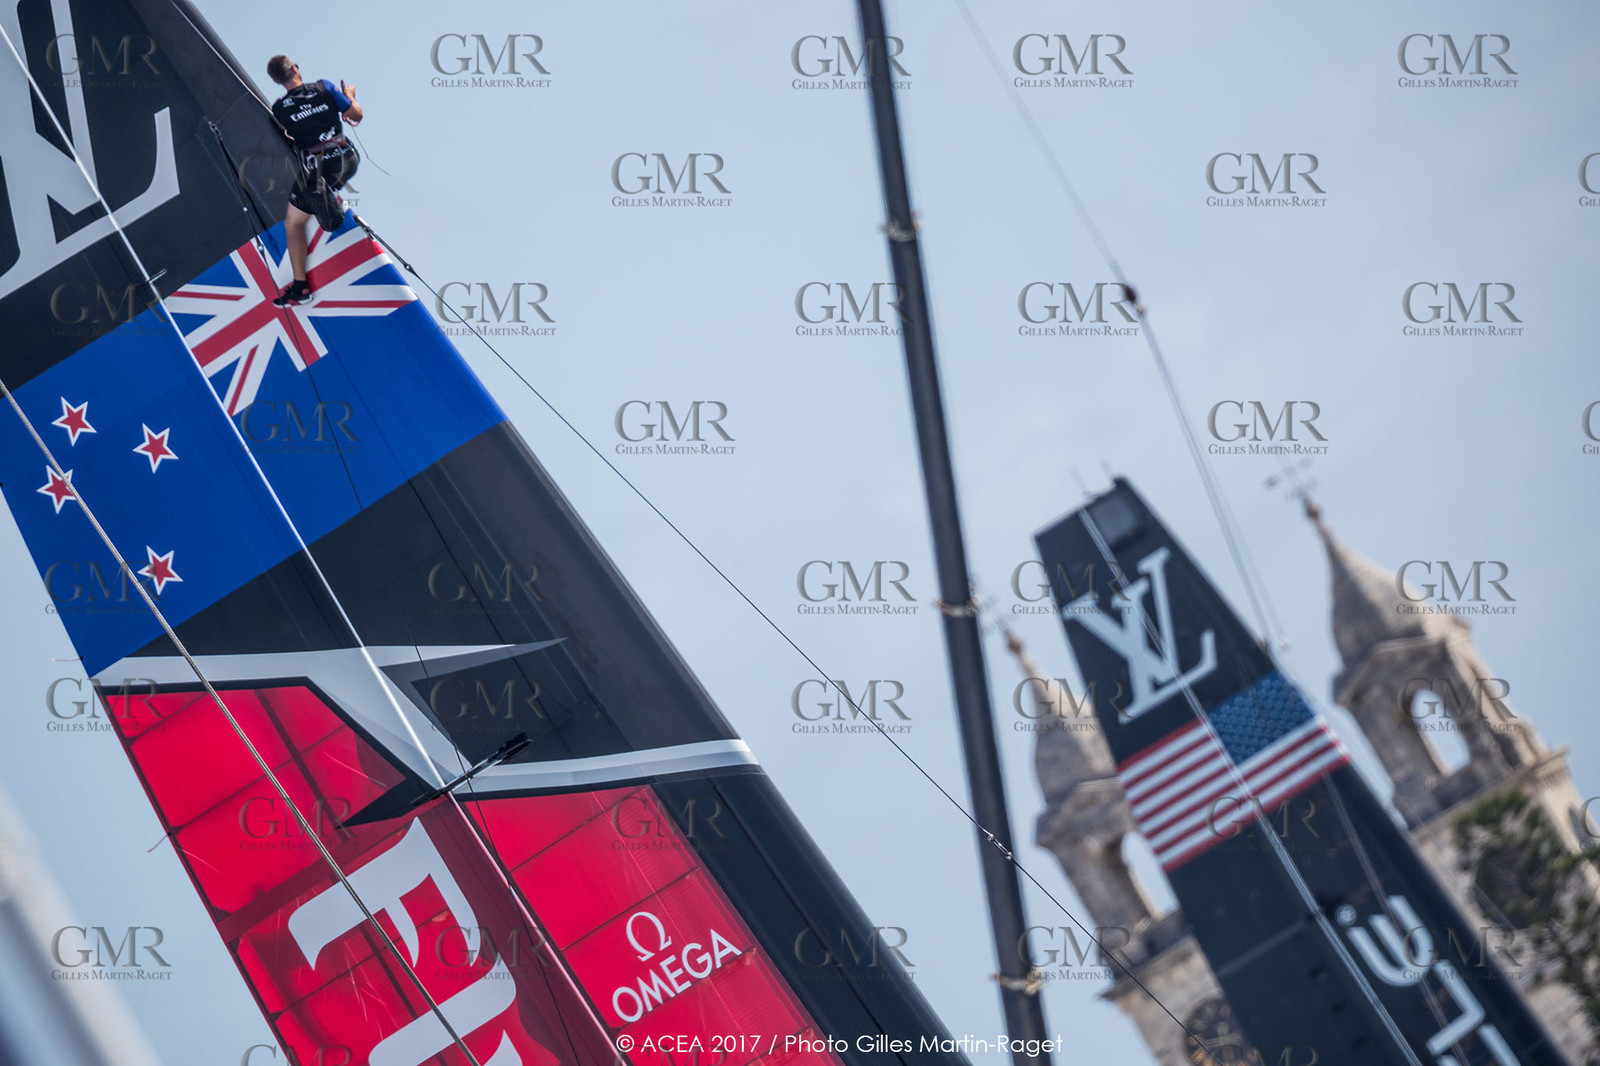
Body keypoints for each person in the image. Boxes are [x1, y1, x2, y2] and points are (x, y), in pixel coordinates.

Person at [266, 55, 363, 306]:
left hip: (320, 169)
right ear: (296, 69)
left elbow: (288, 137)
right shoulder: (325, 87)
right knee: (314, 194)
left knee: (293, 222)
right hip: (347, 158)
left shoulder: (278, 109)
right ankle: (327, 198)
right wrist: (349, 95)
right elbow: (357, 115)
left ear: (277, 81)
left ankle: (301, 287)